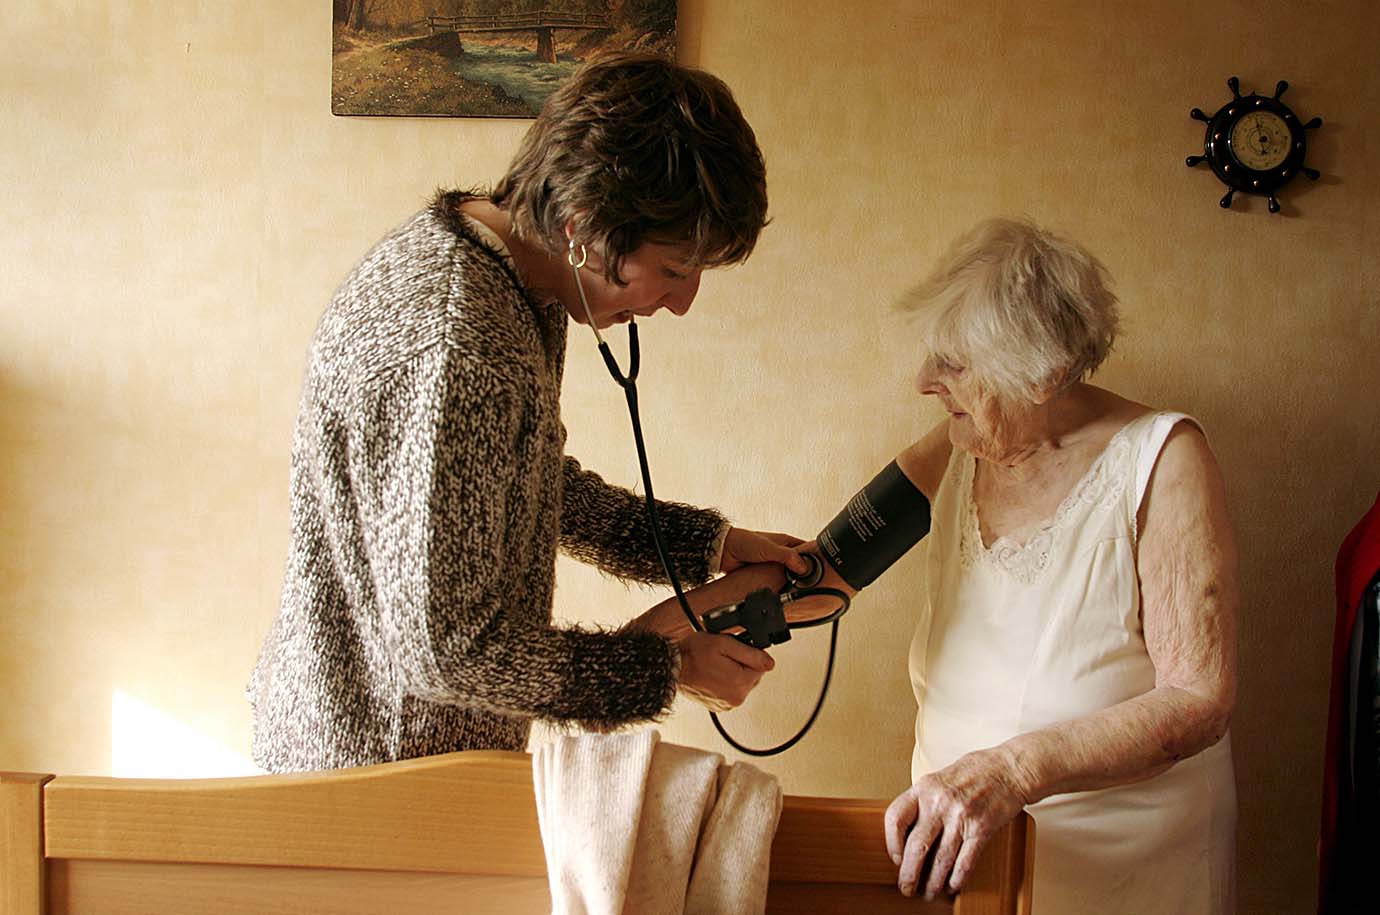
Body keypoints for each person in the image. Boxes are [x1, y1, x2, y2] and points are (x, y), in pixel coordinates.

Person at [247, 52, 810, 773]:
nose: (682, 302)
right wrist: (665, 668)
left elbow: (527, 481)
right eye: (675, 269)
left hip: (393, 751)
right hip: (373, 774)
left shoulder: (510, 279)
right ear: (583, 230)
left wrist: (710, 544)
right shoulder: (457, 342)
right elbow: (449, 652)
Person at [821, 218, 1238, 912]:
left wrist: (1011, 771)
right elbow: (825, 567)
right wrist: (705, 605)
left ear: (1042, 373)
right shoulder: (955, 444)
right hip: (969, 863)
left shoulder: (1165, 459)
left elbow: (1199, 699)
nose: (923, 381)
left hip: (1128, 871)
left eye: (953, 364)